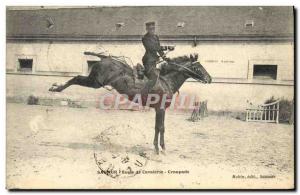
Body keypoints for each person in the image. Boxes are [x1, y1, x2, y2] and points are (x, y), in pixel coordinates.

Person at [141, 21, 168, 94]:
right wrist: (166, 47)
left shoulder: (156, 37)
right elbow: (152, 48)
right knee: (153, 78)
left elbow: (158, 49)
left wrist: (165, 57)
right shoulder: (145, 38)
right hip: (148, 61)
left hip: (154, 60)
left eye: (153, 29)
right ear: (147, 29)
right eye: (150, 29)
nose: (152, 30)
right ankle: (144, 94)